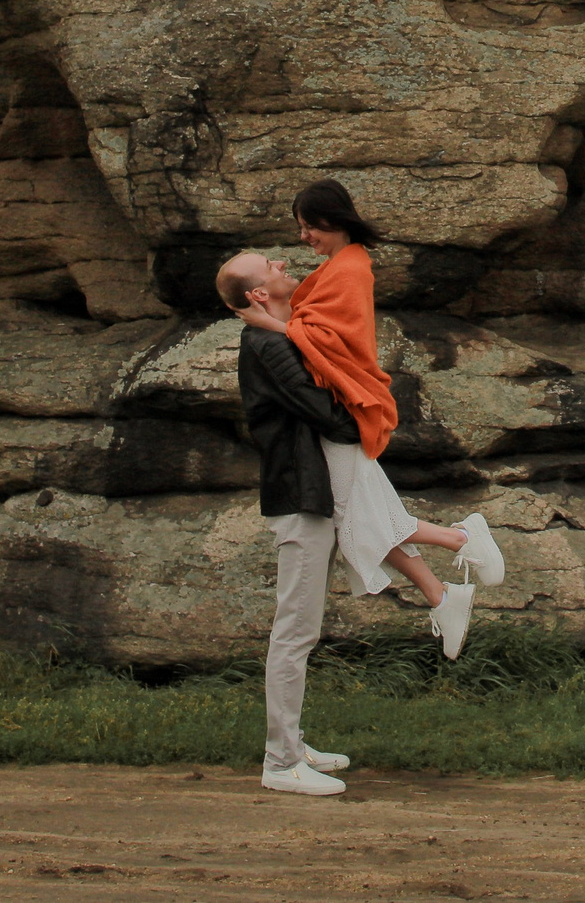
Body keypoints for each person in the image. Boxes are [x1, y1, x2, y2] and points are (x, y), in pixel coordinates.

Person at [217, 180, 505, 670]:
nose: (303, 239)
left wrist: (276, 327)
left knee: (357, 521)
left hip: (346, 408)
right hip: (337, 412)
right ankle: (442, 592)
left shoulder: (349, 270)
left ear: (332, 221)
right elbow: (314, 334)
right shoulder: (335, 269)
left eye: (309, 226)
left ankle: (458, 544)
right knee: (359, 521)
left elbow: (327, 340)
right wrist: (281, 325)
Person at [229, 288, 362, 796]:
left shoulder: (273, 338)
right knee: (294, 633)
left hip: (307, 492)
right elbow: (322, 410)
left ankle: (293, 745)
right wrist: (364, 418)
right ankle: (281, 763)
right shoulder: (266, 343)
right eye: (271, 265)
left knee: (299, 631)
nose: (284, 266)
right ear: (257, 292)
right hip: (299, 495)